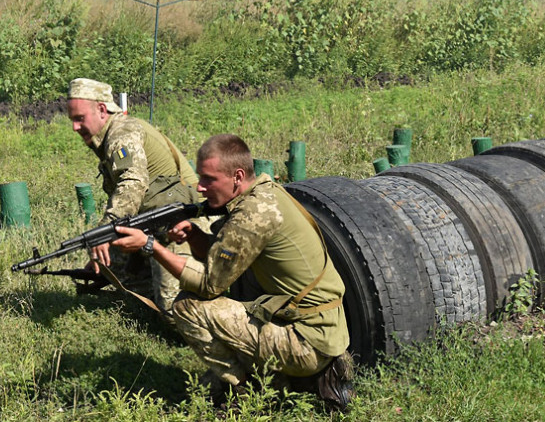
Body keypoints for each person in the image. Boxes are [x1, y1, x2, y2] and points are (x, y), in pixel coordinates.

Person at [110, 133, 354, 411]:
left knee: (187, 306)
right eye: (200, 177)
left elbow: (208, 285)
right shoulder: (265, 193)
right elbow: (223, 258)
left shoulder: (252, 216)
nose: (200, 188)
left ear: (238, 176)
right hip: (326, 331)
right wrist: (194, 236)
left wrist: (150, 246)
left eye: (209, 179)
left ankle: (247, 391)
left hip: (307, 343)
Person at [66, 77, 201, 316]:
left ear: (101, 110)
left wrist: (103, 233)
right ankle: (149, 278)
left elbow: (132, 182)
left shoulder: (121, 135)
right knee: (108, 268)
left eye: (80, 119)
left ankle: (197, 288)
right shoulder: (111, 134)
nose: (75, 127)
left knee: (172, 312)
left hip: (179, 224)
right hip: (152, 221)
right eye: (72, 120)